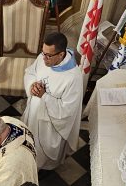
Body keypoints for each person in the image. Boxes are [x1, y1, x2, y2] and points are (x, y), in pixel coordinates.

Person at [21, 31, 82, 170]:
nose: (44, 59)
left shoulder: (73, 77)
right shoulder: (44, 58)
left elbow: (67, 110)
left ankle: (41, 167)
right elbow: (30, 72)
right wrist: (32, 85)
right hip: (33, 112)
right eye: (43, 53)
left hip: (49, 124)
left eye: (48, 55)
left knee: (42, 154)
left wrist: (44, 96)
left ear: (61, 54)